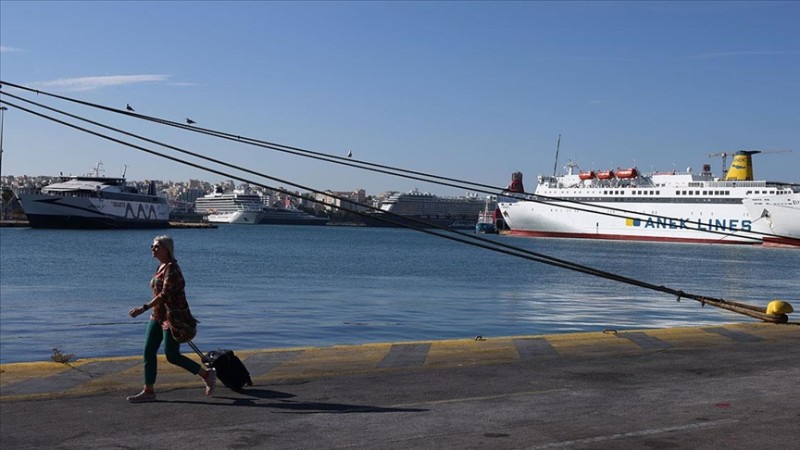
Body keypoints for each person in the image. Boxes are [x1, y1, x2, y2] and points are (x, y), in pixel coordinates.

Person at [127, 235, 215, 403]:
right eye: (152, 246)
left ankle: (206, 374)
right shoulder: (160, 267)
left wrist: (143, 308)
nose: (152, 249)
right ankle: (149, 390)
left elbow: (165, 294)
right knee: (148, 351)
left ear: (166, 249)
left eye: (156, 247)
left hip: (171, 317)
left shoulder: (172, 269)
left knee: (172, 356)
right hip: (157, 316)